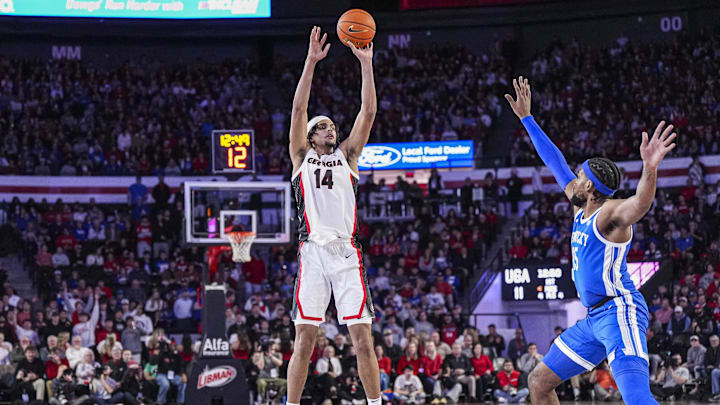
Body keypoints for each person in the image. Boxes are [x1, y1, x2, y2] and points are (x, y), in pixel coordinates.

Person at [506, 76, 677, 404]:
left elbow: (639, 204)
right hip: (593, 318)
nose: (575, 177)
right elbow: (555, 161)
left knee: (637, 397)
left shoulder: (608, 216)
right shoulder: (580, 203)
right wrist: (527, 118)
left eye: (581, 176)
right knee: (539, 381)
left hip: (619, 311)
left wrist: (650, 168)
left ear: (590, 188)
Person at [285, 26, 380, 405]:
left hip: (345, 254)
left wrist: (367, 66)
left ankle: (375, 403)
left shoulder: (348, 157)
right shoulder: (300, 157)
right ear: (310, 137)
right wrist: (310, 62)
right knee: (304, 339)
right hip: (311, 253)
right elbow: (298, 109)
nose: (331, 129)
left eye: (332, 127)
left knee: (362, 339)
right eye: (323, 126)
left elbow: (368, 111)